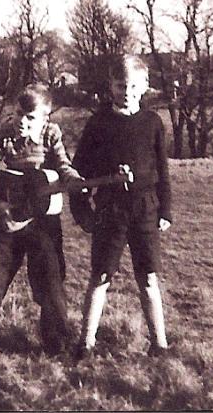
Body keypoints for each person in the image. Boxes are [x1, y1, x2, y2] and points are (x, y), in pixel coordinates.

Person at [0, 84, 83, 370]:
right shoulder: (5, 136)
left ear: (46, 118)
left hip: (44, 223)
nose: (22, 122)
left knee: (52, 283)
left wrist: (74, 179)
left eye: (30, 117)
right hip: (10, 220)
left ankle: (56, 343)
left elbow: (63, 165)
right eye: (19, 114)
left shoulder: (52, 135)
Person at [70, 54, 173, 359]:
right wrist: (83, 211)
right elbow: (79, 172)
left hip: (145, 210)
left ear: (144, 87)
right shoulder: (98, 123)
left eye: (132, 85)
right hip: (109, 210)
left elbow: (163, 170)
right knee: (100, 276)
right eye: (119, 85)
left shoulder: (153, 123)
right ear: (110, 87)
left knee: (149, 278)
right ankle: (86, 343)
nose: (125, 91)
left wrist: (165, 209)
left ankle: (160, 344)